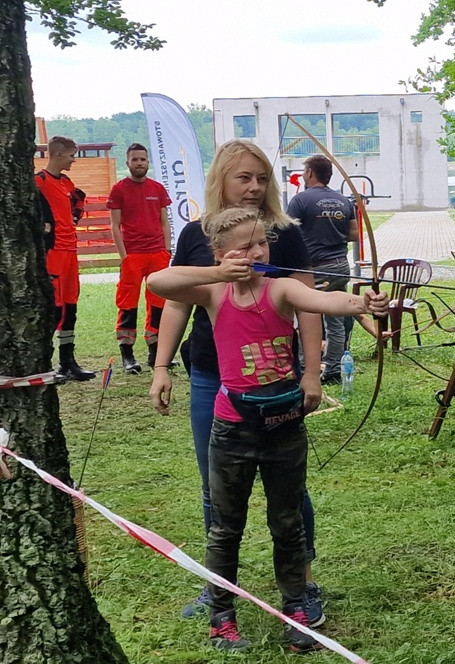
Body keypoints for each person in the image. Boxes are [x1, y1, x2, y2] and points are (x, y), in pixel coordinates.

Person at [148, 207, 389, 651]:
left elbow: (325, 300)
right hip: (232, 429)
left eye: (262, 243)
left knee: (288, 521)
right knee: (226, 527)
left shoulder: (280, 288)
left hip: (283, 426)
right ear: (221, 254)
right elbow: (157, 282)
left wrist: (360, 303)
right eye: (245, 247)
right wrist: (218, 271)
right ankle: (222, 614)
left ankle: (296, 607)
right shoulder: (214, 292)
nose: (258, 251)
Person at [148, 140, 326, 623]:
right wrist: (162, 366)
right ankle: (220, 588)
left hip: (274, 384)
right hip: (211, 375)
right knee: (216, 484)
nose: (253, 187)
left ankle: (303, 585)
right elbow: (176, 297)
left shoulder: (283, 234)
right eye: (242, 177)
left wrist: (311, 371)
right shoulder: (196, 233)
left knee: (287, 488)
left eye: (261, 178)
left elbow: (308, 304)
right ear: (220, 181)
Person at [286, 154, 378, 382]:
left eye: (304, 171)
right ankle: (334, 369)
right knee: (334, 318)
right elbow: (355, 234)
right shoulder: (343, 201)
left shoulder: (300, 200)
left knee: (306, 315)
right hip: (339, 265)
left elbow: (286, 233)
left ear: (310, 173)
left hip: (315, 267)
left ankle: (307, 366)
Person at [107, 143, 172, 374]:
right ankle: (128, 355)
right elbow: (114, 225)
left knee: (158, 303)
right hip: (133, 255)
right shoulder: (119, 189)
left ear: (148, 162)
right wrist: (124, 256)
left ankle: (156, 353)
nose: (139, 163)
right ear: (128, 163)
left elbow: (164, 221)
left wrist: (166, 250)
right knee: (127, 304)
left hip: (157, 254)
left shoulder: (157, 188)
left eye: (143, 159)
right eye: (135, 159)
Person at [34, 136, 95, 381]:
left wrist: (75, 218)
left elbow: (79, 199)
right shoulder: (39, 181)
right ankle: (45, 362)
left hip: (71, 253)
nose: (73, 160)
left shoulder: (66, 182)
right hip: (53, 254)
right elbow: (29, 210)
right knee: (54, 309)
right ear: (58, 155)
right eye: (71, 155)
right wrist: (43, 227)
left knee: (70, 307)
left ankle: (67, 362)